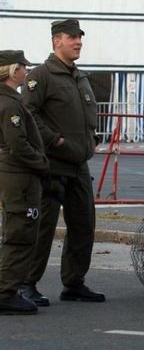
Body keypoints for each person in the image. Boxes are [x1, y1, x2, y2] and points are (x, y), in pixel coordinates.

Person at [20, 19, 104, 306]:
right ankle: (27, 283)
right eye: (72, 37)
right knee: (42, 227)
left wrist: (89, 141)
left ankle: (74, 283)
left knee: (84, 224)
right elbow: (29, 115)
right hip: (52, 165)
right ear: (57, 41)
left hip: (79, 164)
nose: (78, 42)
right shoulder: (41, 76)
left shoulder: (79, 77)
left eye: (80, 37)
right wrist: (54, 141)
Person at [0, 50, 50, 315]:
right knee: (20, 233)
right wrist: (42, 164)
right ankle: (5, 292)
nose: (26, 71)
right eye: (22, 67)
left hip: (18, 175)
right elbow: (17, 144)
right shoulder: (9, 104)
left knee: (20, 230)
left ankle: (9, 287)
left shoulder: (12, 100)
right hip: (19, 177)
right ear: (11, 70)